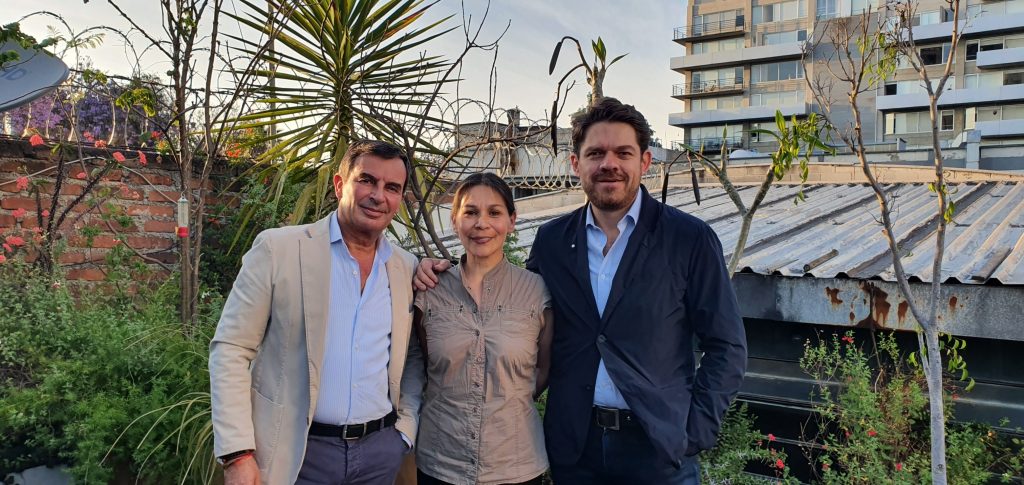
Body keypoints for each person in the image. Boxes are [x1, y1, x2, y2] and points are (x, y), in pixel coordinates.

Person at [415, 98, 747, 484]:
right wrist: (440, 271)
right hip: (575, 449)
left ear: (645, 161)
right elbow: (513, 308)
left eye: (623, 153)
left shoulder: (689, 239)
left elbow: (727, 345)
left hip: (659, 451)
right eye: (596, 153)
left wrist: (695, 430)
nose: (609, 164)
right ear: (576, 163)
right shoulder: (553, 240)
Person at [209, 140, 420, 485]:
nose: (378, 195)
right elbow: (231, 349)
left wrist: (404, 432)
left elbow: (412, 356)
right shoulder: (279, 250)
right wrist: (237, 454)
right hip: (298, 456)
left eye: (392, 187)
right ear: (339, 185)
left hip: (379, 456)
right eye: (366, 180)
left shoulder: (405, 267)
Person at [399, 172, 554, 485]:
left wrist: (506, 398)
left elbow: (544, 369)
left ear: (512, 221)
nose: (482, 224)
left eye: (494, 213)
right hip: (441, 461)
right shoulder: (428, 289)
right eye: (470, 212)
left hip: (516, 461)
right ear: (455, 221)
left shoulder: (538, 292)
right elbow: (423, 365)